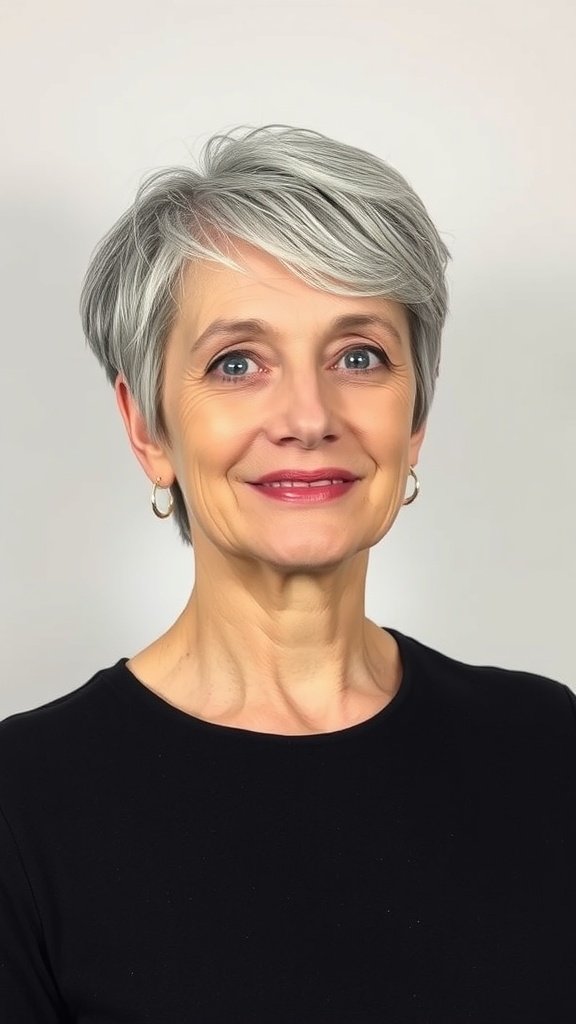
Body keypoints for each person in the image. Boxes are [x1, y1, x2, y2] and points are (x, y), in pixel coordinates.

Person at [1, 124, 574, 1024]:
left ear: (415, 418)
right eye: (237, 363)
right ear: (147, 428)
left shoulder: (548, 749)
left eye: (359, 357)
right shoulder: (23, 808)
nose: (309, 416)